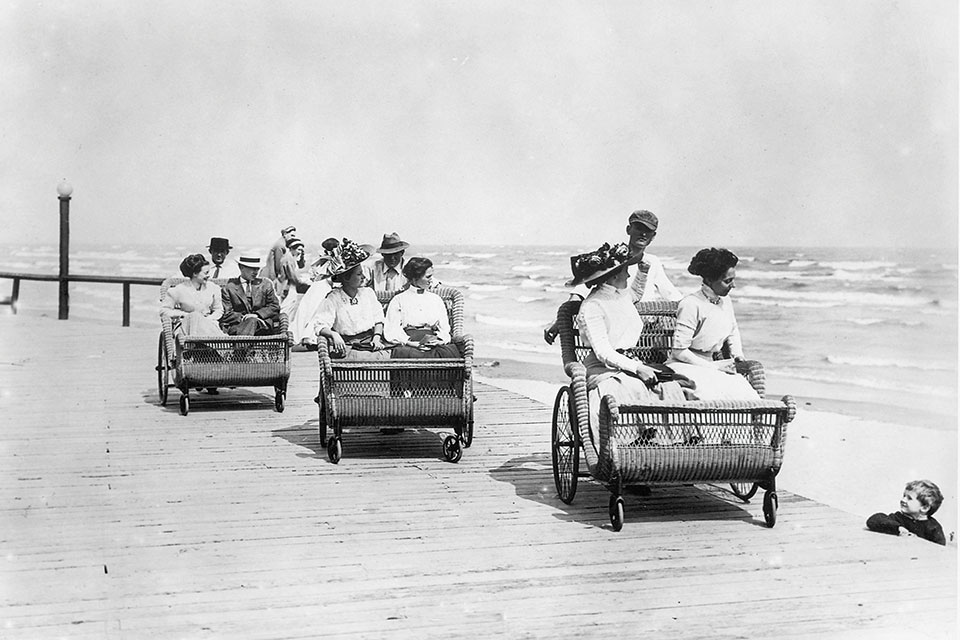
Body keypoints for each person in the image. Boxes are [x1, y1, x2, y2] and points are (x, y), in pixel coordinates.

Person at [571, 242, 689, 444]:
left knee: (670, 387)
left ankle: (673, 444)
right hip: (601, 367)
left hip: (627, 361)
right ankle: (634, 443)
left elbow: (633, 295)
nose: (628, 276)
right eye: (626, 271)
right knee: (634, 385)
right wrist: (638, 368)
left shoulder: (619, 295)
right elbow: (603, 352)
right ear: (615, 275)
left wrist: (642, 273)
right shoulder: (592, 306)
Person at [544, 209, 681, 344]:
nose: (643, 233)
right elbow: (581, 292)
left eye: (649, 231)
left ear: (653, 236)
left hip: (645, 331)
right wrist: (558, 321)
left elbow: (672, 295)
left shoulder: (652, 262)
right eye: (639, 227)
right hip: (616, 331)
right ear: (628, 229)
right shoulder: (612, 260)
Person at [665, 247, 760, 402]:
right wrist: (713, 367)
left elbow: (733, 330)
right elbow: (679, 351)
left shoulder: (726, 301)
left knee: (747, 395)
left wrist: (738, 356)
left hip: (713, 365)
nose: (733, 285)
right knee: (710, 396)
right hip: (685, 365)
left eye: (733, 279)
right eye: (727, 281)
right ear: (709, 280)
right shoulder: (691, 304)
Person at [313, 239, 391, 360]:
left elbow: (378, 319)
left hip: (372, 343)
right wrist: (334, 334)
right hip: (349, 347)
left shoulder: (368, 293)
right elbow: (321, 324)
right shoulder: (334, 298)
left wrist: (376, 337)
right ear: (346, 278)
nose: (364, 277)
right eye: (359, 274)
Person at [385, 257, 460, 359]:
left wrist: (439, 340)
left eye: (431, 276)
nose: (431, 280)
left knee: (448, 353)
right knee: (406, 354)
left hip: (432, 342)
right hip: (409, 343)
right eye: (428, 277)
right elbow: (392, 329)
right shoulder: (398, 300)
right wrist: (410, 343)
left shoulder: (436, 299)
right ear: (415, 279)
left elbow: (444, 327)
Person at [291, 238, 340, 349]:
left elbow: (314, 275)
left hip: (317, 287)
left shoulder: (322, 260)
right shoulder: (335, 261)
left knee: (308, 310)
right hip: (324, 287)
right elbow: (334, 278)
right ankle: (309, 337)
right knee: (318, 310)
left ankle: (303, 335)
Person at [160, 254, 225, 337]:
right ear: (195, 273)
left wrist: (207, 320)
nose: (208, 276)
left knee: (201, 322)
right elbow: (164, 311)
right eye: (206, 273)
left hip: (209, 324)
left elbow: (219, 310)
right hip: (186, 327)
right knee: (194, 316)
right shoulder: (178, 290)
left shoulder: (214, 288)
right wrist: (184, 314)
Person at [866, 480, 946, 546]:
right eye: (904, 496)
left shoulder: (934, 527)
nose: (903, 500)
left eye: (909, 498)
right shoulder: (898, 518)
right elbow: (873, 520)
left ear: (924, 508)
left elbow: (940, 550)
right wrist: (898, 528)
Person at [219, 255, 281, 336]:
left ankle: (241, 348)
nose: (256, 272)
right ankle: (244, 347)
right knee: (250, 321)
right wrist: (245, 318)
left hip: (262, 326)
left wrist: (257, 315)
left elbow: (275, 306)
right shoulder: (229, 287)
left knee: (252, 320)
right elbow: (227, 313)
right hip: (238, 326)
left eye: (257, 268)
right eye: (252, 268)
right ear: (241, 267)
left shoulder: (265, 284)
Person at [260, 225, 297, 291]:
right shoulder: (280, 245)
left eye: (294, 236)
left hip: (269, 275)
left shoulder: (282, 244)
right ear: (285, 234)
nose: (293, 238)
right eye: (292, 236)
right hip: (268, 276)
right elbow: (279, 265)